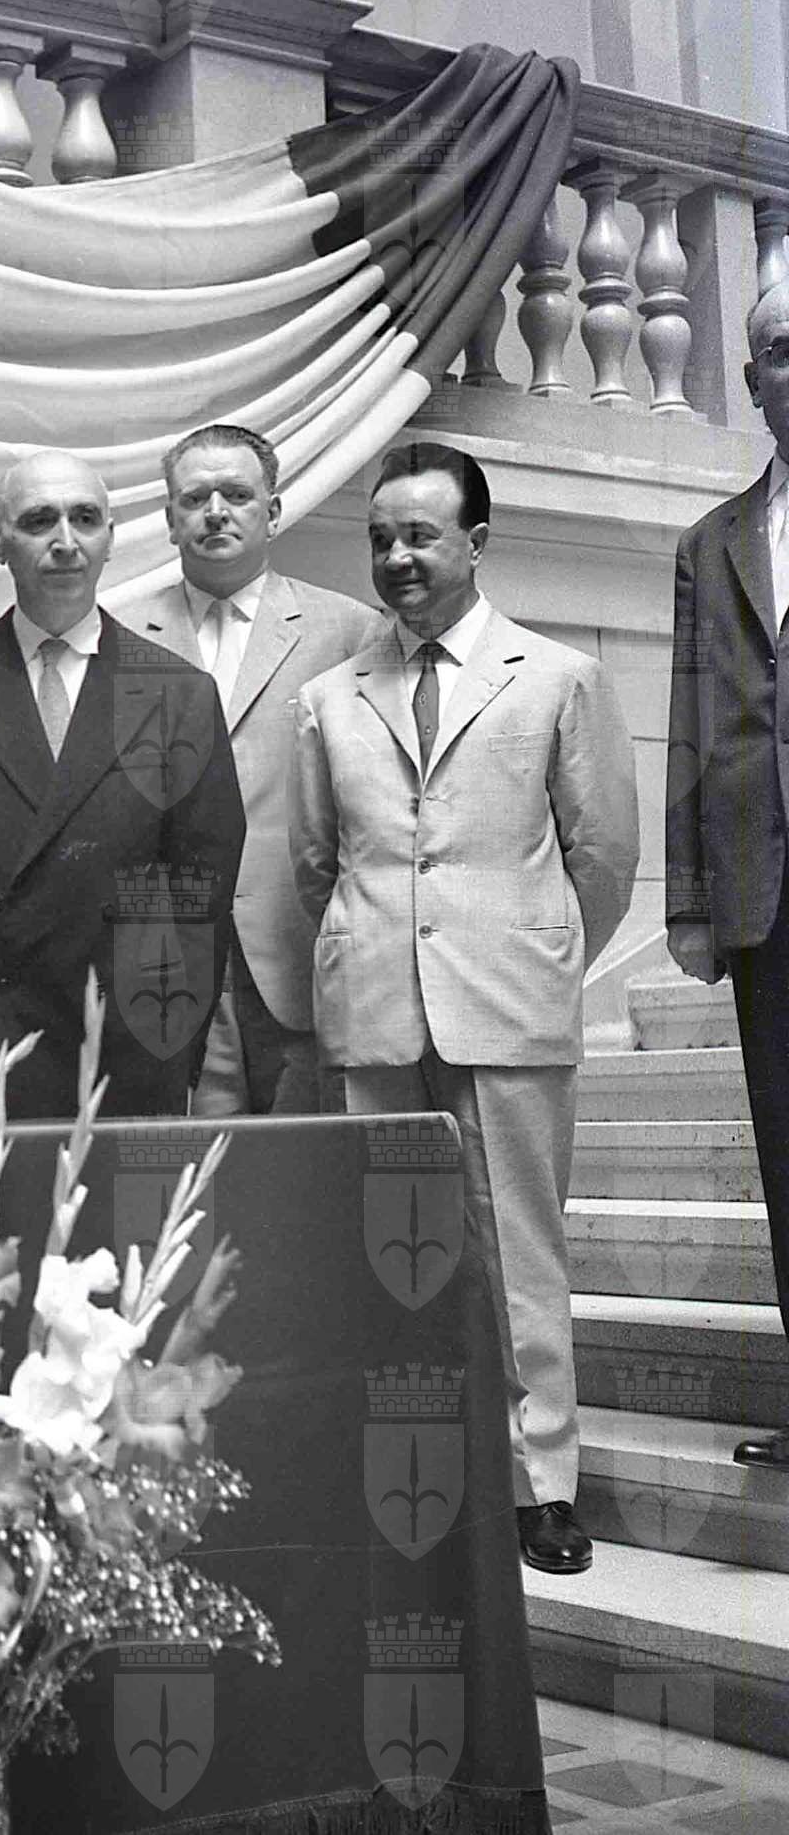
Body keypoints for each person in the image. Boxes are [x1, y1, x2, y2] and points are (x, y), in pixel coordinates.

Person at [292, 441, 638, 1574]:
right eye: (380, 538)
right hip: (374, 1008)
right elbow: (314, 861)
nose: (396, 556)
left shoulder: (557, 678)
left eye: (419, 535)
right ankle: (417, 1472)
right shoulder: (328, 699)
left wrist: (528, 955)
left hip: (508, 1005)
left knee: (516, 1253)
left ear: (475, 544)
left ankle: (542, 1485)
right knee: (391, 1259)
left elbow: (600, 857)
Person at [0, 448, 244, 1121]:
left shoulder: (179, 693)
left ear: (110, 538)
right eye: (40, 520)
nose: (66, 541)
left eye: (85, 519)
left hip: (125, 1057)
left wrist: (173, 1053)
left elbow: (202, 899)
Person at [125, 423, 385, 1114]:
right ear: (170, 519)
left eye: (236, 495)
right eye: (195, 499)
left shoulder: (352, 634)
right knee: (195, 1169)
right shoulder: (115, 638)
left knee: (303, 1168)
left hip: (302, 955)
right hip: (166, 964)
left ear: (272, 512)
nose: (215, 512)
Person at [666, 281, 789, 1471]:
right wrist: (688, 897)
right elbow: (691, 727)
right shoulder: (707, 544)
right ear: (751, 382)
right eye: (779, 353)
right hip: (765, 893)